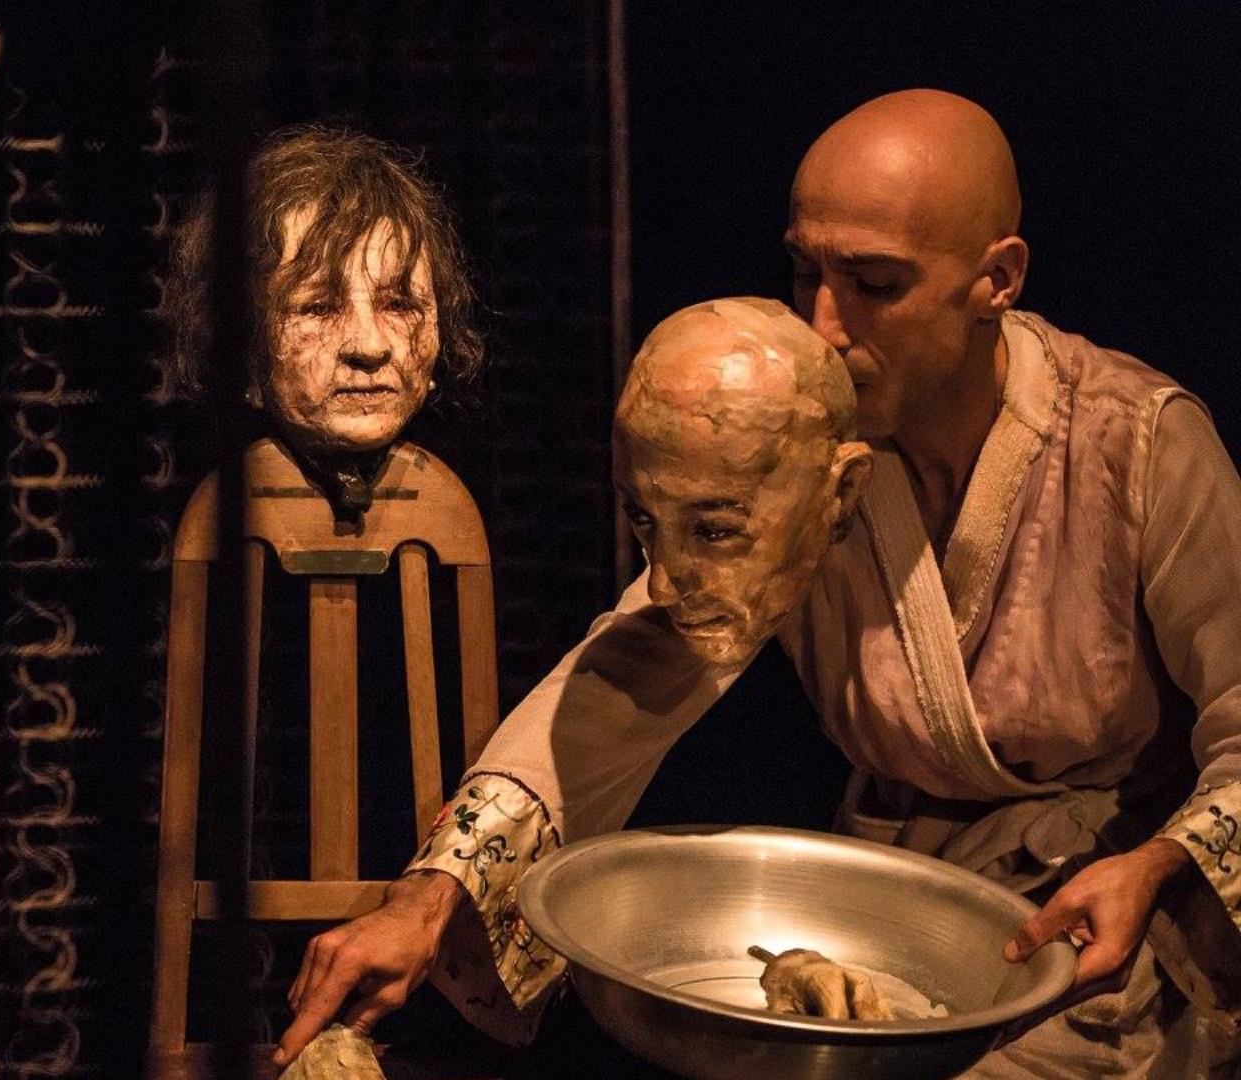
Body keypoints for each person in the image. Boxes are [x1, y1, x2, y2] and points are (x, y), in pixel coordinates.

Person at [276, 89, 1241, 1078]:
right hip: (897, 917)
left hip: (1104, 930)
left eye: (874, 283)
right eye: (805, 272)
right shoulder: (800, 441)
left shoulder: (1138, 445)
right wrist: (435, 895)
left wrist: (1160, 864)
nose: (826, 323)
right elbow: (634, 672)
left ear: (997, 278)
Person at [163, 124, 483, 500]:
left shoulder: (450, 510)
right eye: (318, 309)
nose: (370, 346)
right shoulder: (212, 514)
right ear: (245, 350)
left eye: (399, 305)